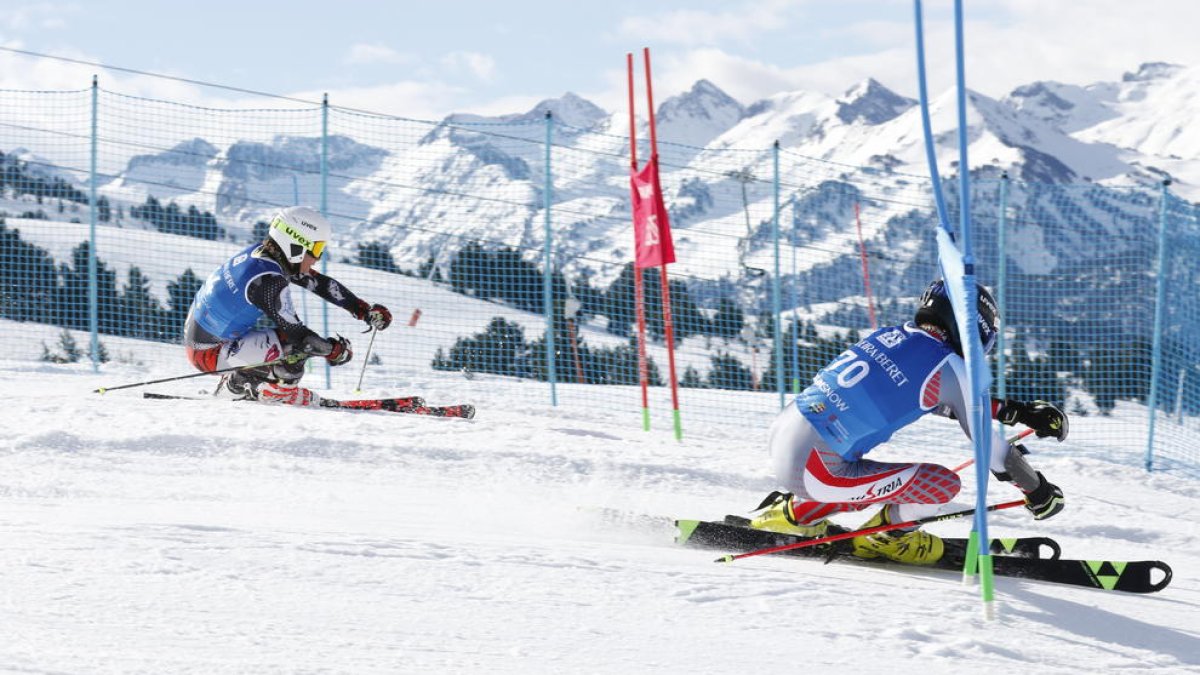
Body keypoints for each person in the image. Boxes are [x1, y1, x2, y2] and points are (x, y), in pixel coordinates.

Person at [749, 279, 1067, 565]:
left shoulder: (893, 335)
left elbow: (935, 402)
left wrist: (1019, 413)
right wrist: (1037, 490)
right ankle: (883, 539)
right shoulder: (951, 365)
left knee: (876, 480)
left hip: (785, 437)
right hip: (815, 472)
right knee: (942, 485)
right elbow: (992, 450)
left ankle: (791, 516)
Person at [183, 206, 393, 406]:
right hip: (209, 354)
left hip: (206, 343)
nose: (317, 258)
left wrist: (362, 309)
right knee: (293, 351)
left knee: (288, 344)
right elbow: (301, 337)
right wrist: (335, 351)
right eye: (316, 249)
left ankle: (241, 383)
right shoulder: (267, 280)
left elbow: (319, 283)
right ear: (296, 244)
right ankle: (235, 391)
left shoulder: (265, 255)